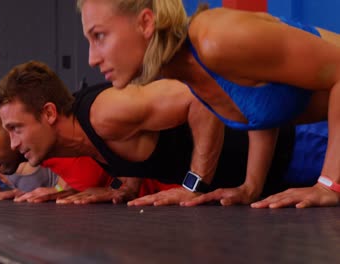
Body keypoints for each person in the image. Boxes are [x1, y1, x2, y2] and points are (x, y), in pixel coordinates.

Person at [77, 0, 340, 208]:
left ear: (145, 23)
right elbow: (262, 106)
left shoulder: (216, 39)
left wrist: (328, 185)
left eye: (99, 36)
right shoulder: (183, 69)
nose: (91, 58)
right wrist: (251, 187)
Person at [0, 61, 324, 206]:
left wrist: (193, 186)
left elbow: (197, 99)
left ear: (48, 113)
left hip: (298, 145)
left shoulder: (103, 113)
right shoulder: (82, 140)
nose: (13, 143)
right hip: (270, 178)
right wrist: (120, 187)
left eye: (16, 129)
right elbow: (141, 147)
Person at [0, 96, 114, 203]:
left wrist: (121, 188)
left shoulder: (69, 140)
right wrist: (55, 190)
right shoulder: (45, 157)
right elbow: (67, 185)